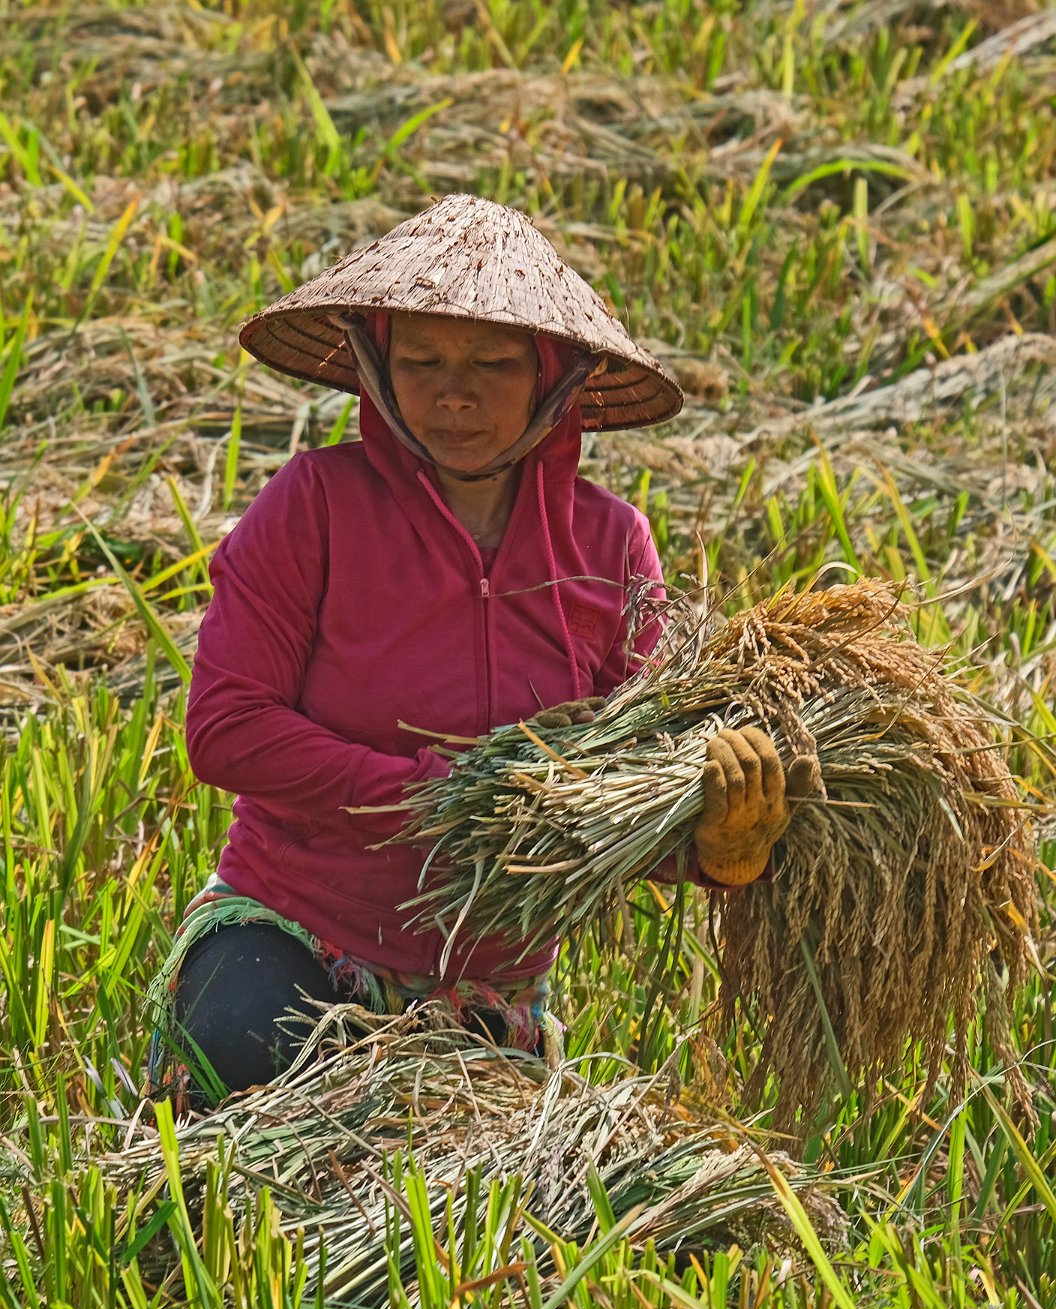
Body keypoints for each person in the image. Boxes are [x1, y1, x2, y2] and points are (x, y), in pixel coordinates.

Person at [148, 195, 810, 1107]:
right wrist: (440, 798)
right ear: (379, 368)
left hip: (484, 984)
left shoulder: (609, 548)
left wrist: (718, 846)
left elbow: (624, 793)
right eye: (420, 361)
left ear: (552, 378)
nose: (452, 394)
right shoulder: (314, 506)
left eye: (492, 365)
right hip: (298, 926)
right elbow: (228, 730)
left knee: (466, 1162)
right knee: (243, 1055)